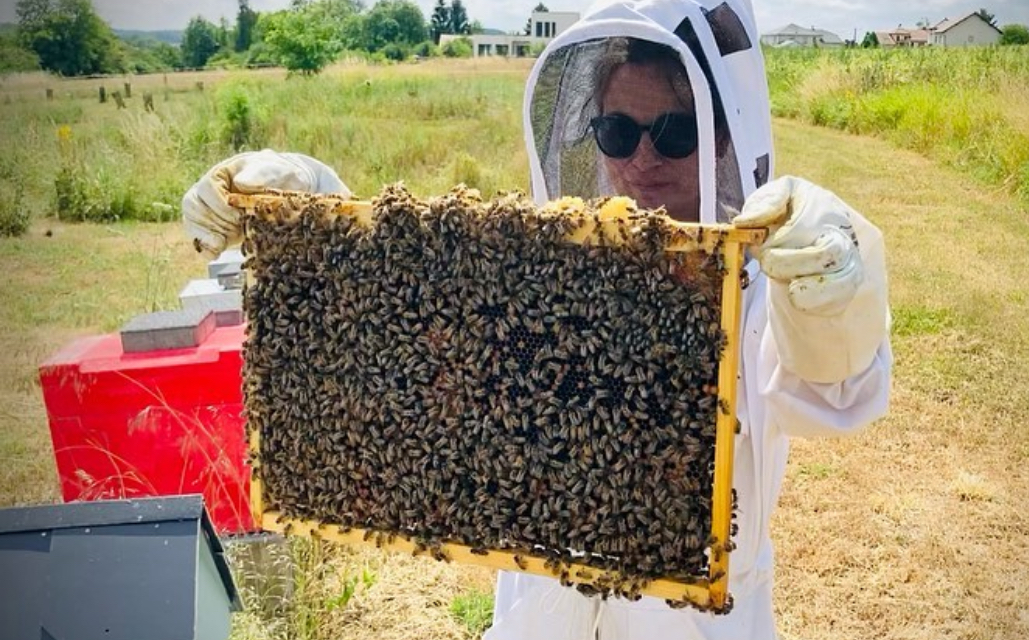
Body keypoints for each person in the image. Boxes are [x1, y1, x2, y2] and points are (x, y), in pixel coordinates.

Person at [181, 1, 891, 638]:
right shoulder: (546, 265)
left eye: (673, 133)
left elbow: (836, 389)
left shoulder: (763, 285)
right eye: (616, 131)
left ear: (726, 136)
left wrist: (838, 288)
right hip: (539, 618)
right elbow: (401, 300)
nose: (640, 159)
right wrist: (302, 210)